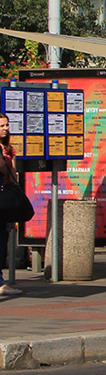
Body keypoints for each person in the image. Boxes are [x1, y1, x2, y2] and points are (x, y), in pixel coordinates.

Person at [0, 114, 21, 296]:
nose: (5, 128)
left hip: (5, 198)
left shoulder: (8, 149)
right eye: (1, 126)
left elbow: (12, 172)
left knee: (2, 240)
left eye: (6, 125)